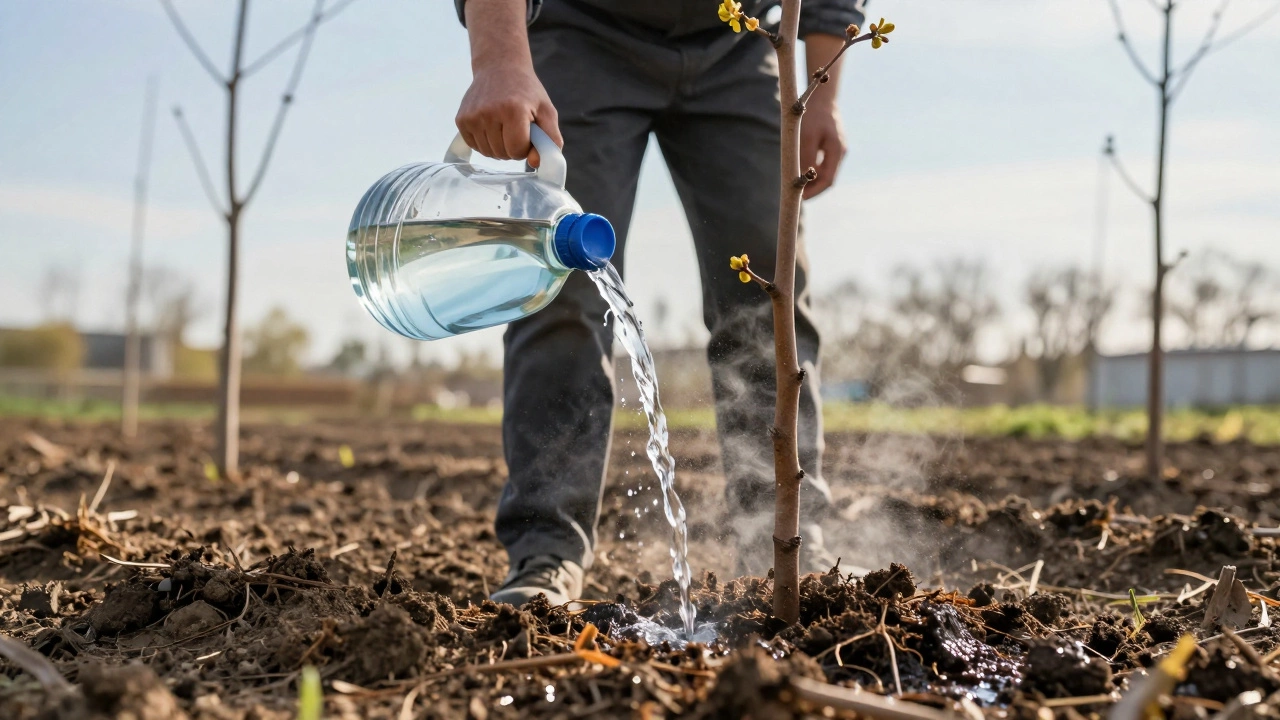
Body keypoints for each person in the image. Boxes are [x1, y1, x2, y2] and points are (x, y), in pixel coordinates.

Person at [452, 0, 864, 605]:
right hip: (581, 30)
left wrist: (821, 96)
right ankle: (548, 550)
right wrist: (499, 59)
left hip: (739, 38)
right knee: (561, 281)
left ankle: (788, 546)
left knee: (766, 295)